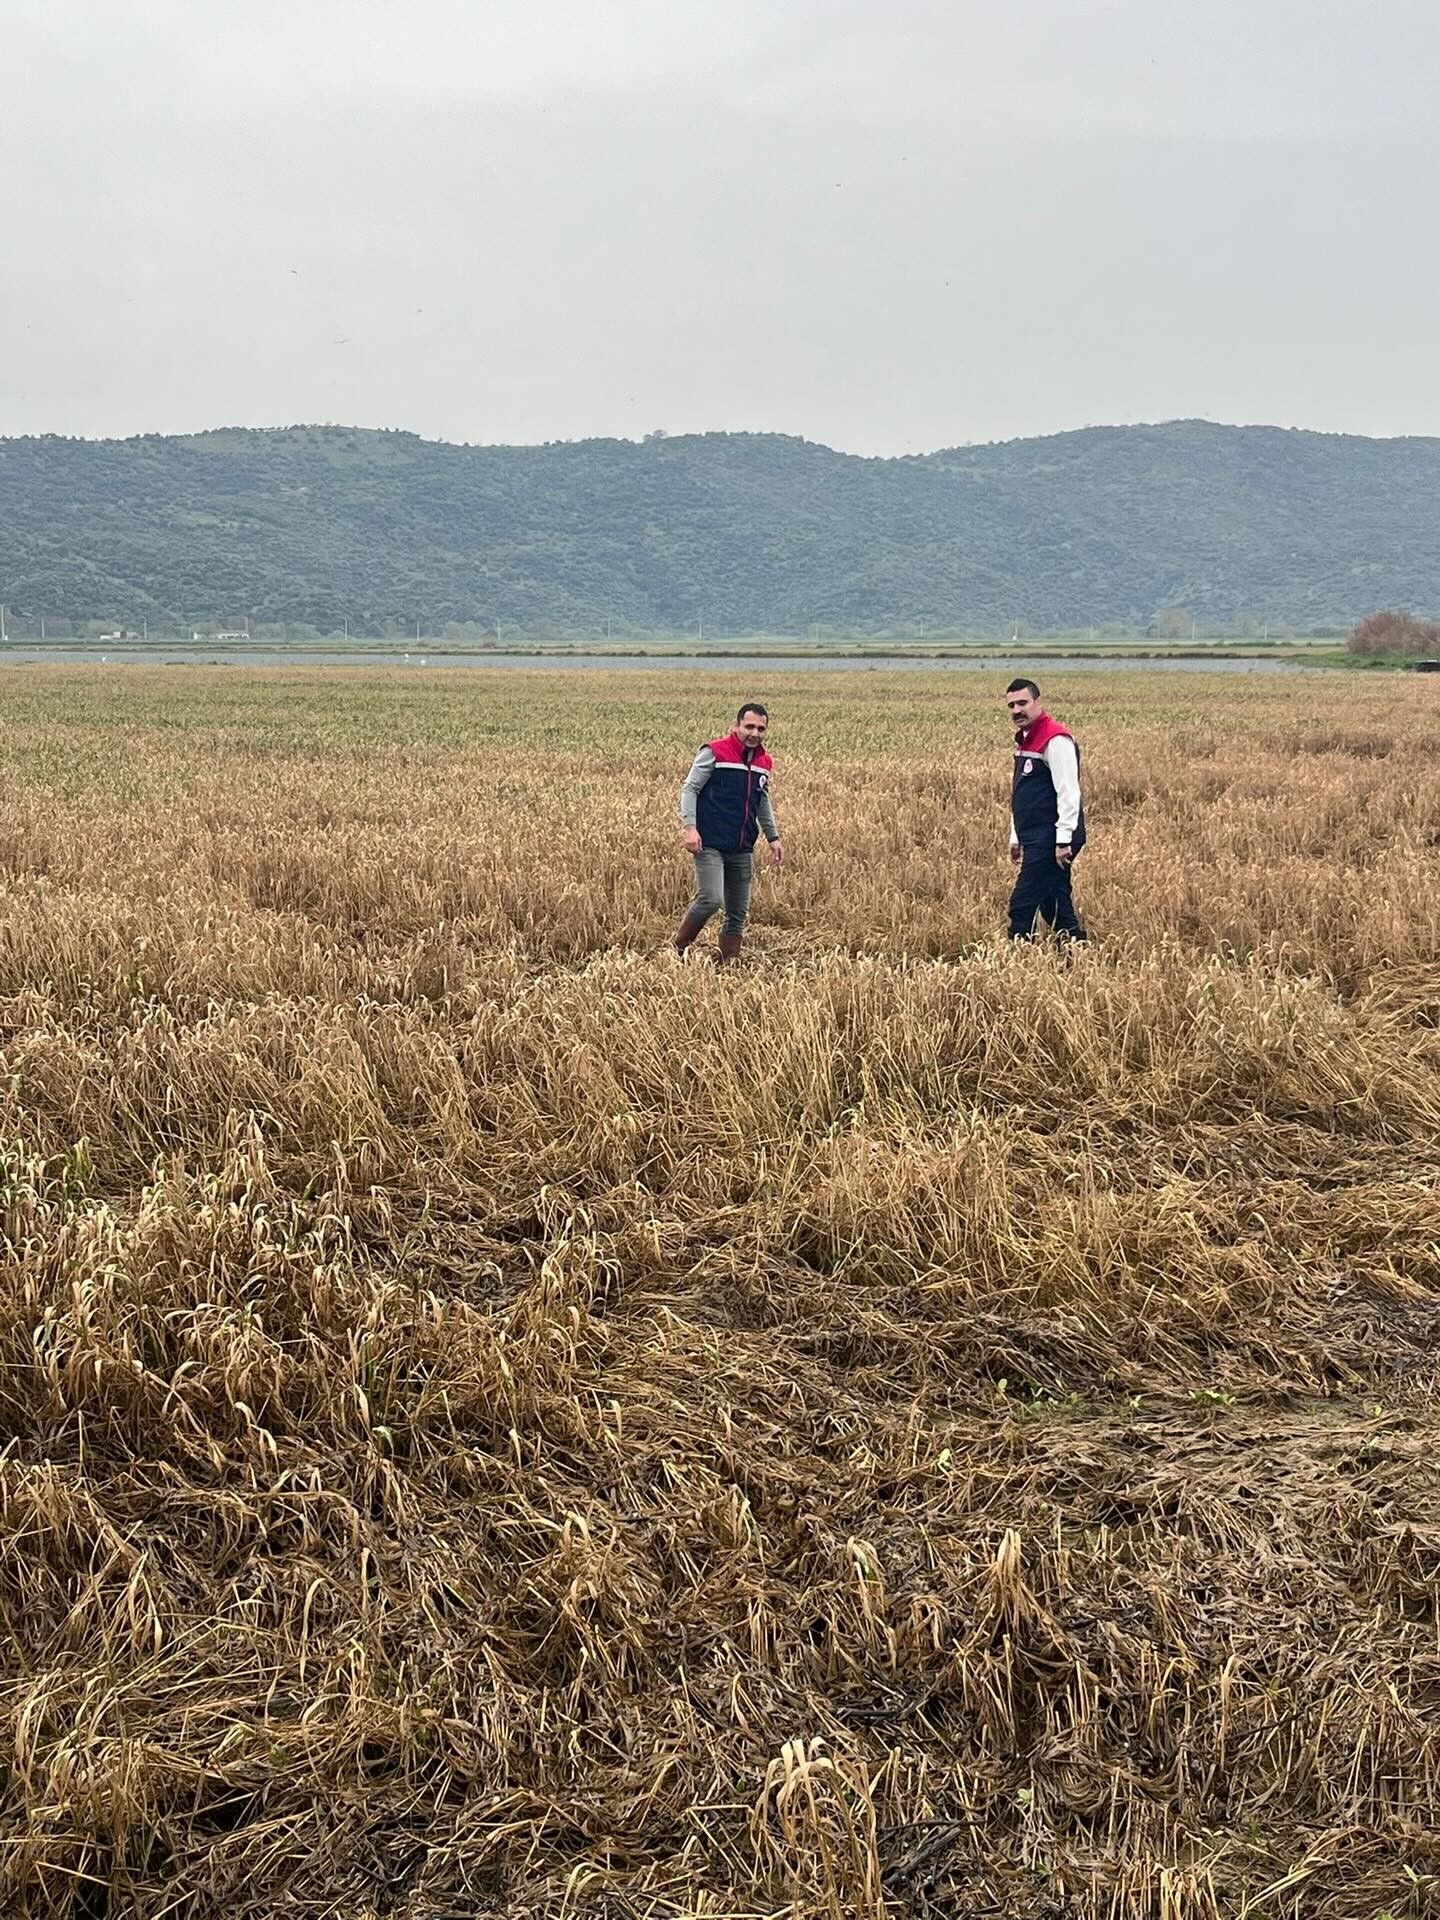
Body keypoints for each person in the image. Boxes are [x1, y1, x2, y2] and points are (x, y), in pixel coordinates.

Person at [673, 703, 784, 962]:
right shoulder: (714, 752)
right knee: (711, 899)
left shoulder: (763, 762)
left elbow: (762, 800)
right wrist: (690, 828)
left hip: (742, 845)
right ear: (736, 727)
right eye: (749, 727)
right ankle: (677, 949)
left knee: (738, 912)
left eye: (761, 728)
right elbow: (690, 789)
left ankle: (728, 963)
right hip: (709, 841)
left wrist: (773, 837)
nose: (754, 733)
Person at [1005, 678, 1087, 942]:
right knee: (1054, 903)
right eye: (1011, 705)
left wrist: (1063, 840)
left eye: (1023, 703)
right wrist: (1016, 836)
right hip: (1036, 836)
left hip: (1051, 838)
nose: (1017, 710)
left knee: (1022, 904)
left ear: (1038, 703)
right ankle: (1077, 952)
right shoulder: (1026, 741)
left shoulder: (1055, 739)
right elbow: (1023, 795)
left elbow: (1068, 792)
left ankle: (1017, 962)